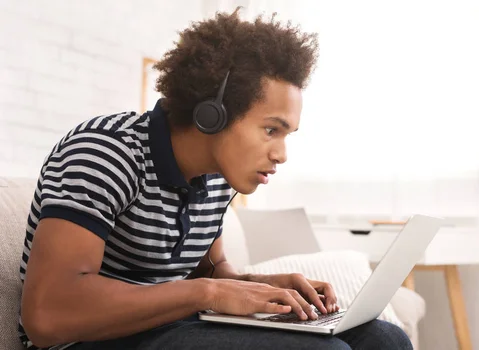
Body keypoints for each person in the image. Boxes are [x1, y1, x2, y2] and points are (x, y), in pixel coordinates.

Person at [18, 8, 412, 350]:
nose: (281, 154)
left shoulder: (218, 178)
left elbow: (207, 272)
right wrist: (209, 293)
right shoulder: (106, 152)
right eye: (271, 130)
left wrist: (264, 285)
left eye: (287, 135)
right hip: (92, 343)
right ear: (213, 114)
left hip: (174, 329)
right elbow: (48, 313)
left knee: (383, 340)